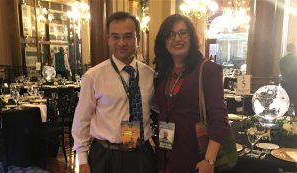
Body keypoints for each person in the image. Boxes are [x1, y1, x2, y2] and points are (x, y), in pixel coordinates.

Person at [72, 11, 157, 173]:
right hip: (106, 155)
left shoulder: (149, 75)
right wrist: (82, 160)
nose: (121, 43)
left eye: (128, 36)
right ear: (108, 40)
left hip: (141, 154)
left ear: (137, 38)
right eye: (115, 37)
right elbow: (81, 120)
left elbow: (159, 109)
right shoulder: (94, 76)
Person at [154, 14, 233, 173]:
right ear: (164, 41)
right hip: (165, 151)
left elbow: (219, 118)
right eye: (170, 34)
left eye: (183, 32)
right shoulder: (163, 72)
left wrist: (209, 160)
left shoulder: (208, 70)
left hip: (194, 155)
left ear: (191, 37)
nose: (177, 38)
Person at [279, 43, 297, 115]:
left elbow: (282, 71)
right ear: (293, 50)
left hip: (285, 83)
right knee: (296, 101)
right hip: (294, 83)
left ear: (287, 50)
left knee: (285, 101)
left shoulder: (282, 60)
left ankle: (284, 117)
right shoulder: (295, 60)